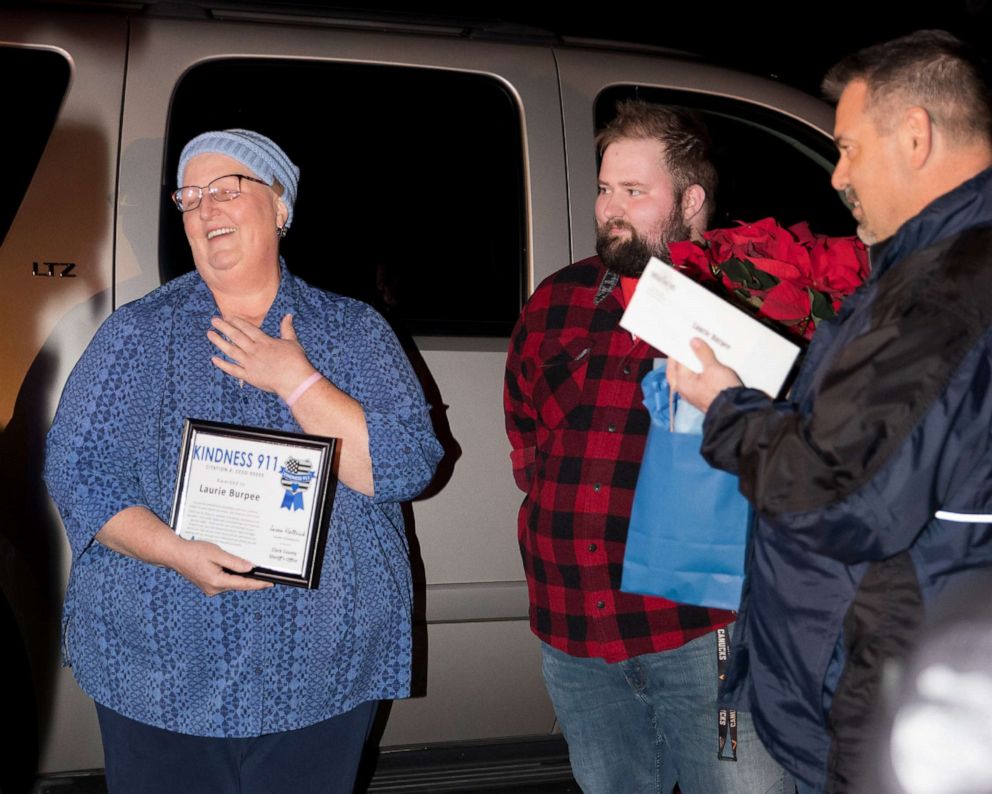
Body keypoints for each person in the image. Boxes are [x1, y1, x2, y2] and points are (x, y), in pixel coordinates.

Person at [44, 129, 443, 793]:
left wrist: (298, 382)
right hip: (160, 674)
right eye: (190, 196)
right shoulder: (136, 334)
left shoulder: (352, 331)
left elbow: (404, 466)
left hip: (321, 673)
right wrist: (175, 551)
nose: (205, 208)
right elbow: (78, 472)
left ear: (281, 206)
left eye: (228, 188)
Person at [667, 30, 992, 793]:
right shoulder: (933, 270)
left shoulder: (943, 291)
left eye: (847, 148)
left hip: (892, 689)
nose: (837, 174)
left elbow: (839, 497)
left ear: (915, 136)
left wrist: (726, 405)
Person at [504, 100, 786, 793]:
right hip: (575, 632)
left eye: (634, 192)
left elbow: (793, 470)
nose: (610, 208)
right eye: (605, 189)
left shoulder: (751, 310)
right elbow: (527, 446)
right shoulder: (556, 302)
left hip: (701, 633)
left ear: (691, 201)